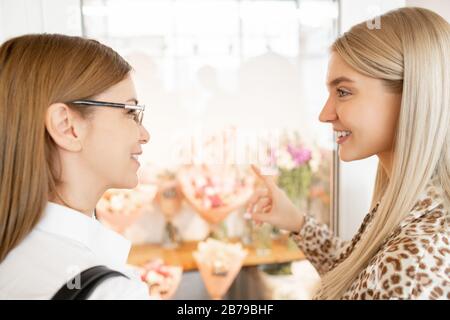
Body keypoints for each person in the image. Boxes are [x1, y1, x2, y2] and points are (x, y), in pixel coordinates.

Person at [248, 7, 450, 299]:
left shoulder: (417, 264)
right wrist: (296, 222)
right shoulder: (409, 212)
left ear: (411, 95)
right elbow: (361, 276)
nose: (324, 114)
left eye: (343, 92)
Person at [0, 34, 156, 299]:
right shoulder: (107, 292)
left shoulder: (14, 255)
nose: (144, 134)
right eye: (130, 112)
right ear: (67, 127)